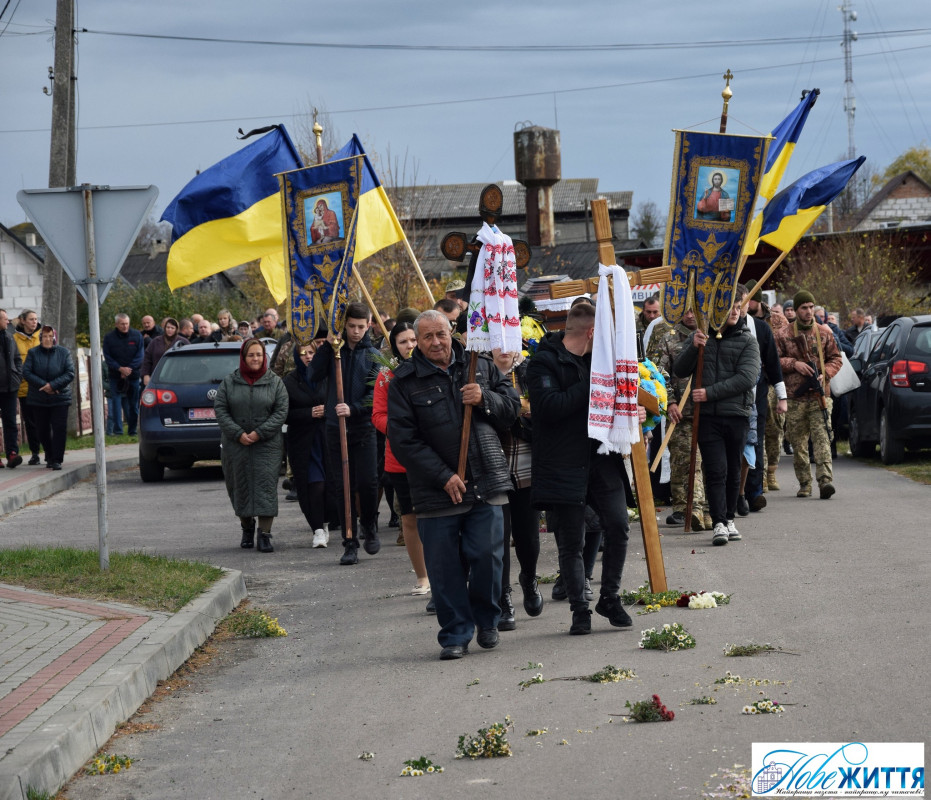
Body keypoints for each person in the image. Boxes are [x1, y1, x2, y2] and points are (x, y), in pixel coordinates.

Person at [388, 310, 520, 659]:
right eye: (427, 337)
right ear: (417, 341)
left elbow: (512, 409)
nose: (435, 342)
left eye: (441, 334)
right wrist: (443, 475)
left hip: (486, 482)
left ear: (453, 333)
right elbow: (403, 440)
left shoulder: (482, 366)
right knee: (444, 570)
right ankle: (455, 635)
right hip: (436, 491)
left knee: (487, 559)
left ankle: (487, 621)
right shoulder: (404, 381)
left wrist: (485, 399)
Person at [527, 302, 642, 635]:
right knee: (570, 541)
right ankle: (580, 610)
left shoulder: (599, 361)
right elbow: (550, 407)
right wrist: (595, 382)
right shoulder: (543, 362)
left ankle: (610, 597)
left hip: (600, 457)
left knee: (619, 525)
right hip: (561, 462)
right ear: (592, 331)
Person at [673, 287, 760, 546]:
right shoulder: (701, 336)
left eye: (738, 307)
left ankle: (730, 518)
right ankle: (719, 522)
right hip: (708, 418)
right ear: (716, 310)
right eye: (729, 307)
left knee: (733, 470)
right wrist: (693, 347)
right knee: (715, 470)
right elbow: (679, 368)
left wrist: (708, 393)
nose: (734, 311)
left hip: (736, 415)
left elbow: (746, 378)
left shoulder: (748, 340)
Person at [308, 301, 381, 565]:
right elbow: (312, 376)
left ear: (369, 325)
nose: (356, 331)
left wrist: (353, 408)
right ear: (344, 325)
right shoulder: (333, 351)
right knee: (343, 485)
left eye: (361, 326)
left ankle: (370, 524)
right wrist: (328, 346)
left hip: (362, 427)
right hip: (334, 427)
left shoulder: (373, 353)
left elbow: (375, 395)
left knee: (368, 482)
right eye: (351, 326)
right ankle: (349, 541)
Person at [214, 339, 289, 553]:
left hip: (267, 445)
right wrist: (238, 433)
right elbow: (220, 409)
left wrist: (259, 433)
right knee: (239, 487)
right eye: (251, 355)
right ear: (243, 358)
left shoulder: (275, 382)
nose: (255, 359)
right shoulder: (230, 382)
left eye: (259, 355)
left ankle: (264, 534)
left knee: (265, 488)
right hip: (236, 445)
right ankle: (246, 527)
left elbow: (281, 411)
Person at [372, 322, 430, 595]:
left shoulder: (435, 367)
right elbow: (378, 415)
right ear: (394, 345)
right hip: (400, 457)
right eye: (403, 341)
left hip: (434, 455)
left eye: (413, 340)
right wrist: (404, 431)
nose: (410, 346)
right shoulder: (387, 374)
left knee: (438, 516)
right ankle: (422, 576)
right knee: (409, 517)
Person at [492, 346, 543, 629]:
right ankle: (503, 598)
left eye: (509, 343)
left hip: (525, 464)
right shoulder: (480, 371)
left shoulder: (529, 372)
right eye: (497, 343)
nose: (504, 350)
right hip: (493, 466)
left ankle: (529, 578)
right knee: (498, 536)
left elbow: (543, 409)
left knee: (528, 535)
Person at [775, 290, 842, 500]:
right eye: (804, 308)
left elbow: (836, 359)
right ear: (796, 310)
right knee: (798, 442)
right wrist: (795, 364)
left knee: (822, 438)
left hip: (819, 395)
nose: (808, 311)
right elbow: (775, 361)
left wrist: (826, 374)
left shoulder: (824, 332)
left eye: (811, 307)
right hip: (795, 396)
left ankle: (825, 481)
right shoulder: (783, 334)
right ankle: (805, 483)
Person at [652, 307, 710, 531]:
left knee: (705, 463)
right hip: (680, 412)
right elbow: (659, 373)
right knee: (684, 461)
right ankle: (683, 507)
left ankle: (704, 508)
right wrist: (671, 402)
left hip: (707, 410)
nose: (690, 315)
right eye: (685, 311)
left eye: (694, 310)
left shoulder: (712, 336)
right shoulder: (669, 338)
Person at [286, 336, 333, 548]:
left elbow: (340, 401)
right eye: (303, 353)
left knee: (330, 486)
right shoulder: (289, 381)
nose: (307, 357)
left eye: (311, 352)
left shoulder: (327, 376)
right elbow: (283, 414)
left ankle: (325, 521)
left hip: (327, 440)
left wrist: (327, 410)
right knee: (314, 485)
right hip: (304, 443)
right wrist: (308, 413)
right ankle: (317, 529)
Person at [22, 326, 75, 471]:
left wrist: (53, 385)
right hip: (39, 398)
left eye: (50, 336)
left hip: (59, 397)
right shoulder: (33, 353)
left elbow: (70, 373)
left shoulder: (63, 353)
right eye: (44, 336)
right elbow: (26, 372)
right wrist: (44, 385)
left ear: (54, 337)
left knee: (59, 429)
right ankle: (50, 455)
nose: (47, 339)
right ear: (40, 338)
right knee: (42, 430)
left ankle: (57, 459)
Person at [103, 313, 144, 436]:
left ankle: (132, 430)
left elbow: (140, 355)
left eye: (126, 323)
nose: (125, 326)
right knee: (116, 403)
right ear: (116, 324)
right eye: (122, 324)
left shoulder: (137, 335)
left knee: (133, 404)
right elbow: (107, 356)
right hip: (115, 375)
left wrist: (129, 369)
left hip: (133, 375)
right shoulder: (109, 338)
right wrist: (119, 368)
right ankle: (118, 431)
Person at [13, 309, 42, 463]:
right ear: (22, 321)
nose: (34, 322)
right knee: (30, 423)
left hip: (43, 387)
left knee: (46, 420)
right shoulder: (14, 339)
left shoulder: (43, 336)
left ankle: (51, 452)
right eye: (31, 319)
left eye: (36, 319)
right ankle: (35, 453)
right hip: (25, 388)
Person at [0, 309, 24, 468]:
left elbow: (17, 359)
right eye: (5, 319)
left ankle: (12, 454)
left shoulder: (9, 336)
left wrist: (18, 375)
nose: (8, 322)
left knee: (10, 422)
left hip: (10, 387)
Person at [142, 318, 189, 385]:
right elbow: (147, 359)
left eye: (172, 328)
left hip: (177, 378)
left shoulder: (183, 342)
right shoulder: (155, 341)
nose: (169, 330)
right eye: (168, 327)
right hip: (157, 377)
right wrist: (145, 375)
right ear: (164, 328)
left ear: (176, 329)